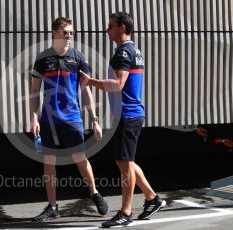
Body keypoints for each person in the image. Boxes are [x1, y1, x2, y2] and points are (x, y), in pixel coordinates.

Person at [79, 12, 166, 227]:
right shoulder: (134, 50)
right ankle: (152, 198)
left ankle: (125, 213)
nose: (107, 30)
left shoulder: (123, 53)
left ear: (122, 28)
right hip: (130, 115)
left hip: (128, 115)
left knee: (124, 165)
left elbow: (117, 84)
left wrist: (91, 81)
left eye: (110, 26)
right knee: (125, 161)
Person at [29, 17, 109, 222]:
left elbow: (86, 91)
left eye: (72, 33)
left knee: (80, 159)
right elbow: (34, 91)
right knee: (49, 163)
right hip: (48, 120)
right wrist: (33, 118)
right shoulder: (43, 58)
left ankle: (95, 193)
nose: (69, 36)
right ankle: (53, 207)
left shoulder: (78, 58)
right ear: (55, 32)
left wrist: (95, 119)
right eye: (66, 32)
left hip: (72, 118)